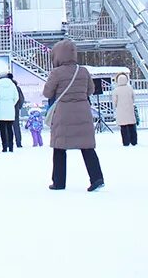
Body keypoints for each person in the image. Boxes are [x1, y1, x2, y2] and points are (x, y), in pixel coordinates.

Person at [43, 39, 104, 191]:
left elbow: (47, 93)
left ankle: (59, 181)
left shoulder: (56, 73)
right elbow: (90, 90)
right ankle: (97, 177)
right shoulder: (82, 71)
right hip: (83, 111)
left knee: (59, 148)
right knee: (87, 147)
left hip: (63, 113)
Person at [0, 73, 19, 152]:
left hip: (1, 108)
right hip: (10, 108)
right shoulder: (12, 85)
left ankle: (4, 147)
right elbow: (16, 97)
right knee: (10, 128)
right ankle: (11, 146)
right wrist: (11, 103)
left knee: (2, 129)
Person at [113, 72, 138, 146]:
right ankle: (134, 141)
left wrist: (116, 107)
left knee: (123, 127)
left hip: (121, 111)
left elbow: (114, 102)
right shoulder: (130, 88)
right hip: (130, 109)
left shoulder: (116, 90)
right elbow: (133, 98)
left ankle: (126, 142)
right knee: (132, 126)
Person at [8, 74, 25, 148]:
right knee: (16, 126)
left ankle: (8, 142)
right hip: (15, 108)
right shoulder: (17, 88)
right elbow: (21, 98)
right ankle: (18, 142)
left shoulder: (5, 87)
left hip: (6, 109)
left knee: (7, 126)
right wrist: (19, 106)